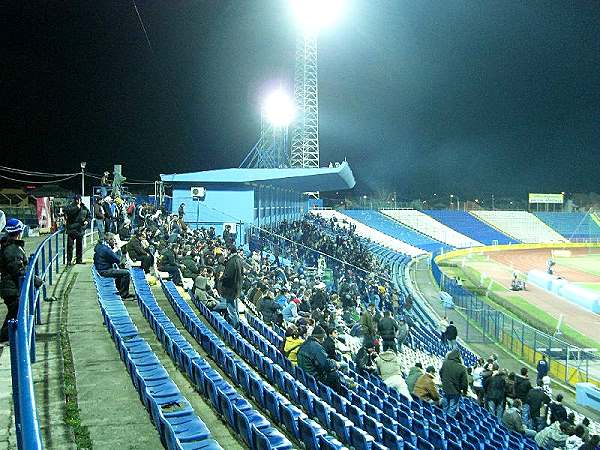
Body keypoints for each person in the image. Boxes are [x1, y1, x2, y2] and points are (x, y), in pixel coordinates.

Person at [0, 219, 28, 344]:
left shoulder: (10, 247)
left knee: (14, 313)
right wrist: (35, 280)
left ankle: (8, 336)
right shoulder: (12, 250)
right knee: (14, 313)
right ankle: (6, 337)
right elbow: (18, 270)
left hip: (9, 287)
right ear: (18, 232)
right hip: (11, 288)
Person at [297, 325, 341, 393]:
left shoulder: (305, 344)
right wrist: (335, 363)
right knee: (334, 374)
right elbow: (326, 364)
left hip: (305, 376)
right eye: (323, 338)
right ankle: (338, 396)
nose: (323, 340)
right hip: (314, 379)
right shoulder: (317, 347)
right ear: (320, 337)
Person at [93, 233, 131, 298]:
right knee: (126, 273)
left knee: (120, 271)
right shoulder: (106, 249)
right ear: (109, 240)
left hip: (101, 268)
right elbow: (118, 260)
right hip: (104, 270)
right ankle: (124, 294)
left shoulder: (100, 246)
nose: (114, 241)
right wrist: (118, 249)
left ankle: (120, 291)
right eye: (113, 240)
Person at [216, 245, 243, 328]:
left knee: (231, 309)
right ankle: (237, 324)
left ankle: (235, 327)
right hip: (236, 288)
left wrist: (221, 278)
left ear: (229, 250)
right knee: (234, 308)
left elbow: (228, 275)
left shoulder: (232, 261)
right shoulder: (238, 259)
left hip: (230, 289)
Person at [440, 349, 468, 417]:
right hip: (455, 391)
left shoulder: (445, 363)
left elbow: (440, 372)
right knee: (452, 409)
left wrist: (444, 381)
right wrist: (464, 391)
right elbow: (464, 382)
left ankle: (443, 421)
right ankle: (448, 423)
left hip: (445, 389)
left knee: (445, 407)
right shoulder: (462, 368)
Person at [64, 195, 90, 265]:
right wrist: (77, 208)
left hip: (80, 229)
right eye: (76, 200)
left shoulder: (84, 207)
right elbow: (67, 212)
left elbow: (88, 215)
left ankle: (79, 260)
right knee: (70, 246)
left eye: (79, 200)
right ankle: (69, 261)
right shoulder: (70, 206)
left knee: (79, 246)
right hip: (71, 229)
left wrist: (87, 221)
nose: (78, 201)